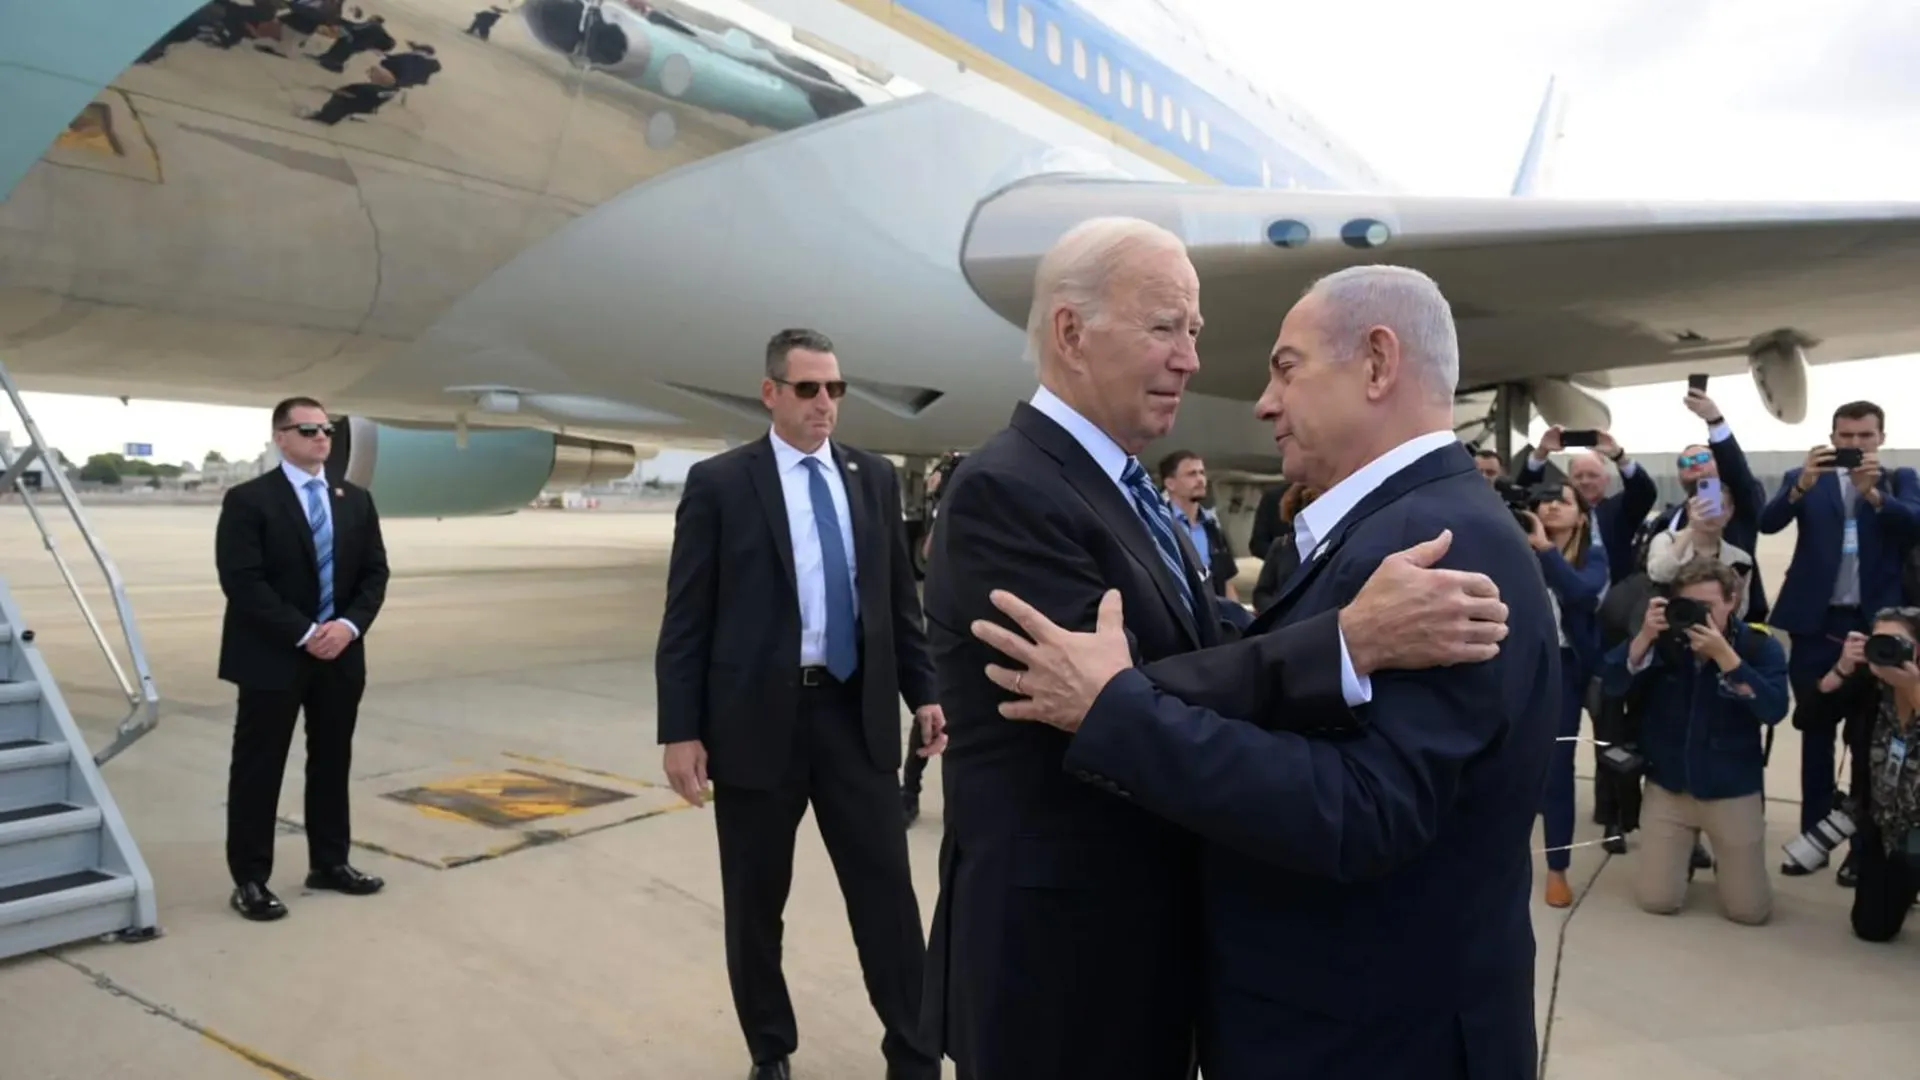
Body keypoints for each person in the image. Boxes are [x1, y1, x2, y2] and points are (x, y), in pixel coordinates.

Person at [920, 225, 1513, 1080]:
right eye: (1166, 328)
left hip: (1140, 947)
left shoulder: (1120, 485)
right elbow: (1123, 700)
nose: (1192, 359)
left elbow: (1192, 650)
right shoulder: (1007, 492)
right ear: (1071, 334)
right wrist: (1346, 641)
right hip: (1062, 966)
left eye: (1193, 332)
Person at [653, 328, 947, 1080]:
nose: (826, 404)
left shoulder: (872, 478)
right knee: (756, 906)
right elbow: (686, 617)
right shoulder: (722, 483)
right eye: (810, 389)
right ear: (771, 393)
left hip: (854, 717)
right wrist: (680, 730)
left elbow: (893, 606)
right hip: (756, 725)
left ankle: (913, 1054)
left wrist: (926, 695)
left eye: (836, 390)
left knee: (886, 898)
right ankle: (770, 1048)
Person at [214, 396, 389, 922]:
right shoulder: (248, 500)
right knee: (258, 769)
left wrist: (348, 627)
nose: (321, 438)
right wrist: (307, 631)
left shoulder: (354, 499)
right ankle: (249, 878)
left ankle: (330, 863)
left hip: (340, 655)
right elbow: (242, 581)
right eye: (308, 429)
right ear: (281, 437)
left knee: (333, 763)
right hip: (273, 656)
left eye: (327, 429)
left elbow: (374, 575)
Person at [1759, 400, 1920, 881]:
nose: (1853, 446)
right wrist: (1800, 486)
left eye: (1864, 437)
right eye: (1845, 437)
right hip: (1815, 624)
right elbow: (1767, 523)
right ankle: (1813, 840)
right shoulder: (1804, 475)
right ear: (1832, 437)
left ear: (1880, 438)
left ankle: (1862, 846)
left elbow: (1915, 525)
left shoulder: (1899, 480)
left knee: (1869, 735)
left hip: (1877, 624)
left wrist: (1873, 497)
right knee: (1814, 732)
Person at [1602, 559, 1787, 924]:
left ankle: (1729, 863)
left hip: (1731, 790)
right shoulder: (1666, 643)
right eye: (1690, 606)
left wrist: (1726, 658)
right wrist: (1643, 638)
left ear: (1732, 601)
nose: (1699, 617)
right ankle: (1678, 855)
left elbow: (1775, 709)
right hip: (1669, 787)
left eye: (1709, 607)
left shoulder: (1756, 646)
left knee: (1749, 912)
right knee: (1657, 901)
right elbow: (1611, 683)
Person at [1522, 481, 1608, 908]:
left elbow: (1583, 595)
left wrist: (1546, 551)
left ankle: (1557, 868)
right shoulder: (1515, 548)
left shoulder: (1591, 555)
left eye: (1564, 500)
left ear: (1582, 516)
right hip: (1516, 664)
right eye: (1546, 499)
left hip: (1565, 668)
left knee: (1557, 768)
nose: (1553, 505)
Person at [1813, 609, 1920, 940]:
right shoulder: (1871, 686)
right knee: (1871, 928)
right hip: (1888, 828)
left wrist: (1913, 687)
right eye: (1879, 641)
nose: (1887, 650)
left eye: (1897, 643)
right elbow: (1808, 719)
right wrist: (1843, 668)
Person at [1514, 428, 1657, 583]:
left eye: (1593, 475)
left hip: (1612, 597)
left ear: (1606, 480)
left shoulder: (1618, 510)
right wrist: (1541, 452)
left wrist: (1618, 456)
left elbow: (1644, 493)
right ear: (1568, 480)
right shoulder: (1553, 508)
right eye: (1578, 476)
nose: (1585, 481)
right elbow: (1522, 497)